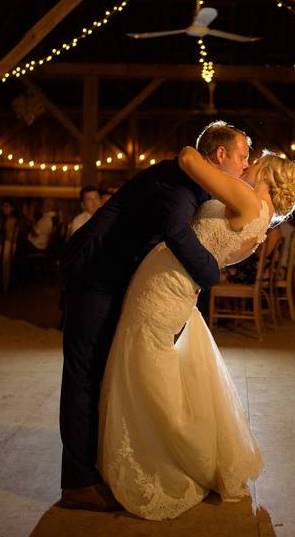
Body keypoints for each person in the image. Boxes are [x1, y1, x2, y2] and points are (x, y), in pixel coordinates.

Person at [98, 145, 295, 520]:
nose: (246, 165)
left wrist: (220, 158)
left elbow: (189, 158)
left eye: (252, 162)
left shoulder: (248, 199)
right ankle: (179, 448)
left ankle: (167, 455)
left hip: (165, 285)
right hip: (178, 289)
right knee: (149, 365)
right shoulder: (261, 223)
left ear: (266, 175)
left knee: (143, 365)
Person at [57, 121, 248, 513]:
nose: (246, 165)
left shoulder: (192, 183)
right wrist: (213, 274)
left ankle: (93, 467)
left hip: (113, 277)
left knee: (100, 372)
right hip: (93, 273)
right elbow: (177, 235)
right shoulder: (178, 186)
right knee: (83, 375)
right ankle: (76, 483)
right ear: (220, 155)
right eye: (242, 155)